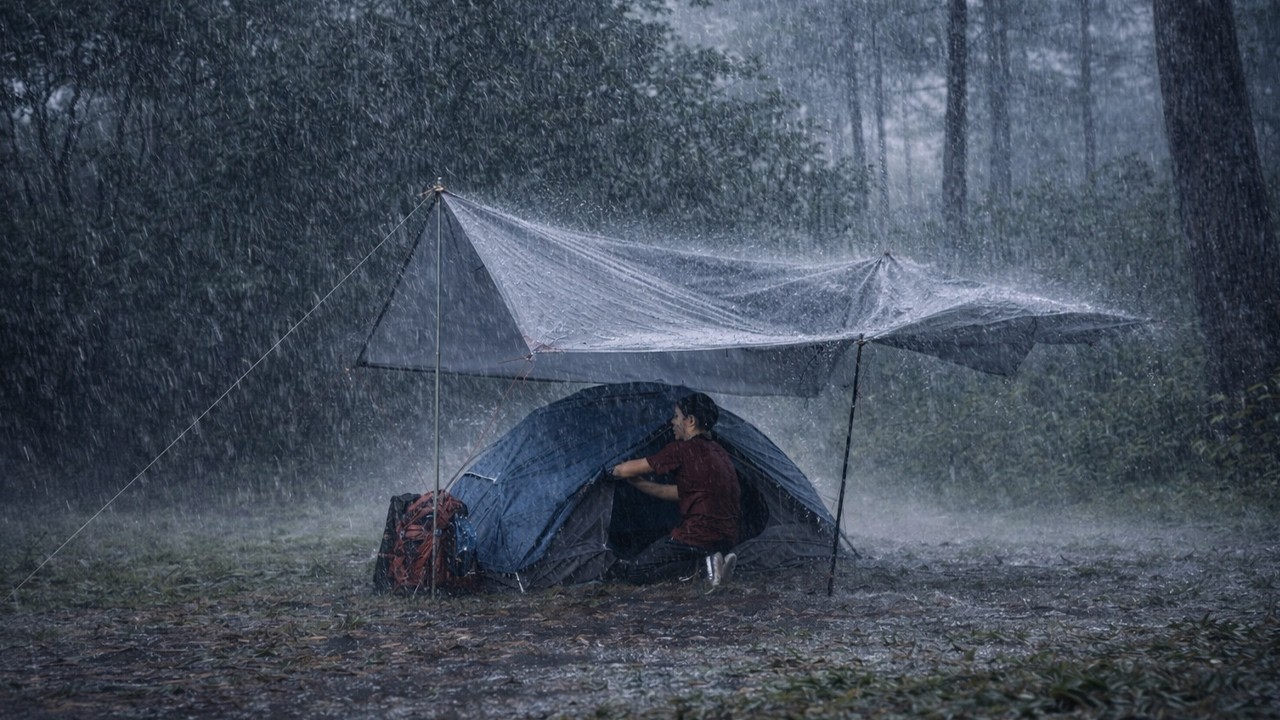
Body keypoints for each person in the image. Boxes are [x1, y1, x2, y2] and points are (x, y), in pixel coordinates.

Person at [608, 392, 740, 588]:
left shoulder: (682, 449)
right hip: (726, 537)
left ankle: (706, 568)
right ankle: (713, 562)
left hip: (697, 535)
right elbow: (674, 493)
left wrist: (609, 470)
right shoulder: (718, 451)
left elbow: (623, 469)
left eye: (677, 416)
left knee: (637, 572)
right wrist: (636, 483)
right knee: (668, 560)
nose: (672, 422)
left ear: (691, 421)